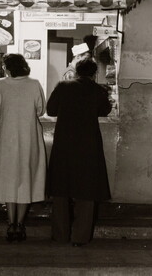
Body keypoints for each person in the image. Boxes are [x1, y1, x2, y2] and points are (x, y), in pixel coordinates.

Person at [46, 58, 112, 247]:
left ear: (76, 71)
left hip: (64, 144)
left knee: (61, 190)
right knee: (86, 191)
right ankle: (80, 237)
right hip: (88, 145)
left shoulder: (63, 86)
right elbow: (105, 111)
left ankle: (60, 235)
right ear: (94, 73)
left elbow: (51, 111)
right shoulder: (98, 90)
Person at [0, 53, 47, 242]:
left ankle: (11, 223)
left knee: (9, 178)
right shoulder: (35, 84)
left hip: (8, 138)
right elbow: (41, 110)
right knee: (26, 177)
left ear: (8, 67)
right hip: (30, 137)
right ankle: (20, 224)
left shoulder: (0, 84)